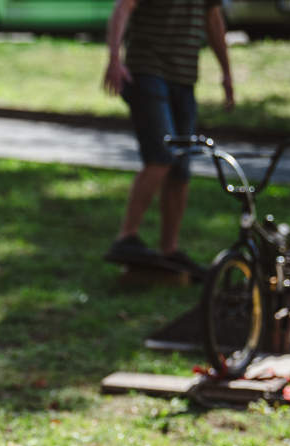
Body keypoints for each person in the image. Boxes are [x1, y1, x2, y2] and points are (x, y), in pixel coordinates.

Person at [104, 0, 235, 277]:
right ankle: (126, 237)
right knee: (162, 155)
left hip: (184, 77)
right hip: (146, 69)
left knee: (181, 166)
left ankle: (169, 250)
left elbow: (213, 20)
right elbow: (122, 9)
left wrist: (226, 72)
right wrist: (114, 58)